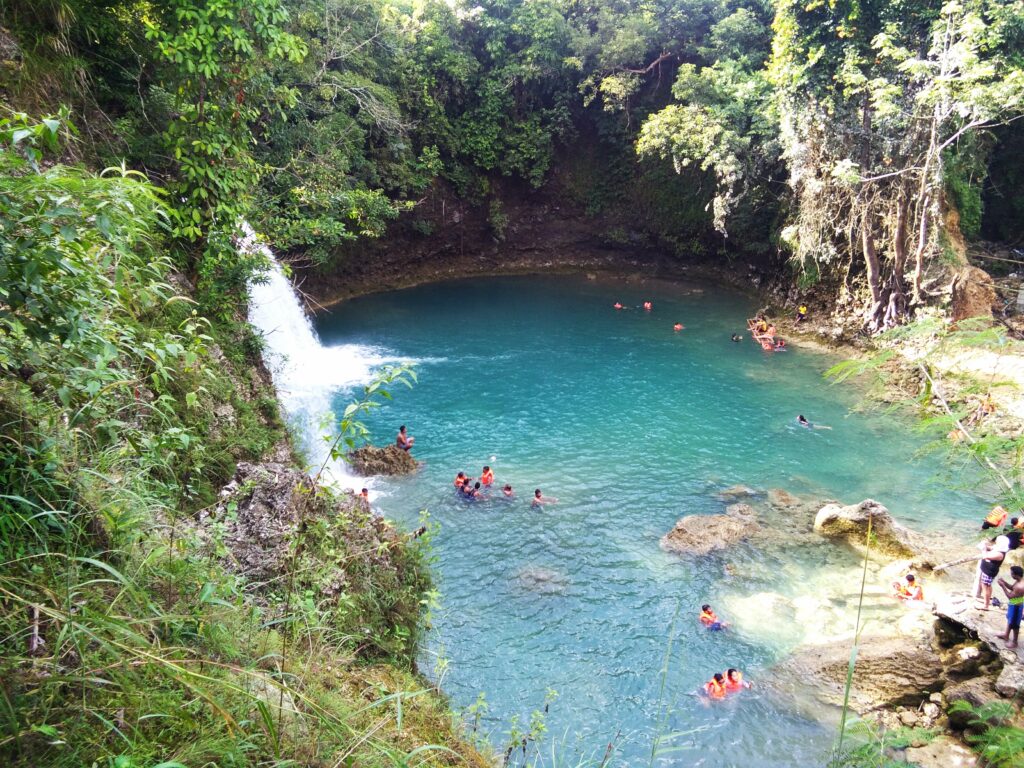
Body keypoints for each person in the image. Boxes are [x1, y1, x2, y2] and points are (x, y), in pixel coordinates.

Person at [976, 535, 1010, 610]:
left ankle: (986, 605)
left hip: (989, 571)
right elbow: (991, 548)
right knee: (987, 585)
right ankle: (987, 600)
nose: (996, 542)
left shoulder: (1000, 554)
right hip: (987, 569)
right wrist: (985, 545)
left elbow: (985, 556)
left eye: (997, 541)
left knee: (985, 587)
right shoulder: (999, 548)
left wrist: (983, 549)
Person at [996, 565, 1024, 649]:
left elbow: (1010, 596)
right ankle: (1006, 635)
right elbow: (1012, 588)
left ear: (1015, 575)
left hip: (1016, 607)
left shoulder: (1020, 587)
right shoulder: (1018, 581)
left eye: (1011, 574)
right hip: (1014, 603)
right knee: (1009, 620)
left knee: (1015, 624)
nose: (1011, 575)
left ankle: (1015, 642)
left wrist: (1002, 586)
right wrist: (1004, 582)